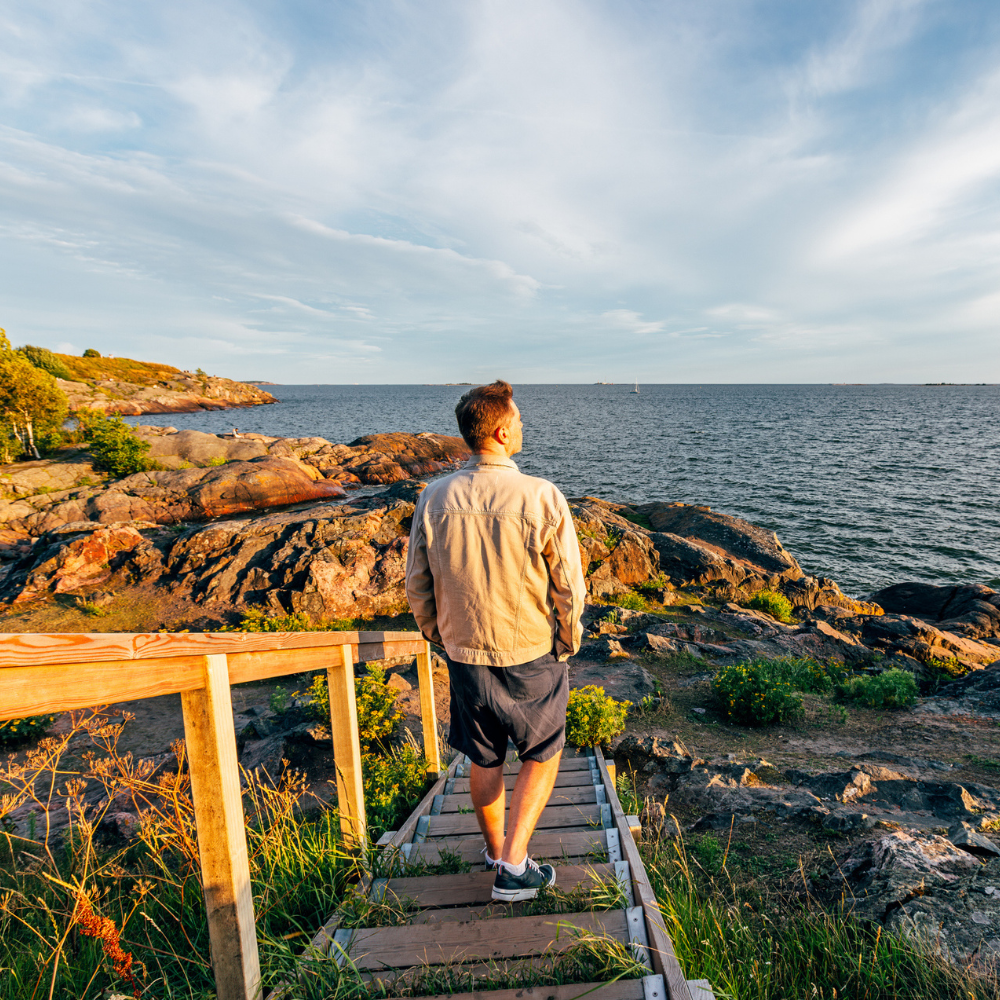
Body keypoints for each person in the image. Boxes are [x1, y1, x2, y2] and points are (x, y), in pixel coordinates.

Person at [405, 380, 586, 902]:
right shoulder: (542, 495)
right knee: (543, 752)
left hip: (464, 653)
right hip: (530, 649)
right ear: (503, 431)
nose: (524, 426)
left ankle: (495, 851)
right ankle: (513, 864)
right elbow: (568, 585)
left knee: (484, 757)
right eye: (520, 419)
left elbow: (418, 583)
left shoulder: (433, 497)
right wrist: (567, 640)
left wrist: (441, 636)